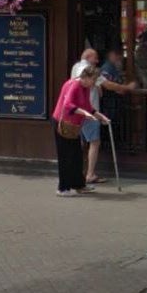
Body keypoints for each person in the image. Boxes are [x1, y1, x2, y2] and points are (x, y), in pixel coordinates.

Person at [71, 49, 136, 184]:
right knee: (94, 142)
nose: (97, 61)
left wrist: (97, 87)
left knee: (80, 143)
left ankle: (78, 173)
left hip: (77, 111)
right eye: (95, 58)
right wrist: (126, 88)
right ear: (89, 57)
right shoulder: (89, 69)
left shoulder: (76, 67)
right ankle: (90, 174)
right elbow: (108, 84)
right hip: (89, 111)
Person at [52, 65, 110, 196]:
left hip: (73, 125)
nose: (94, 83)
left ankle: (79, 185)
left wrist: (100, 116)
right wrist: (84, 113)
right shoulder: (75, 85)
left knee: (77, 155)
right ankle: (63, 188)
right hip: (63, 123)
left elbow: (87, 106)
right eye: (93, 80)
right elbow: (68, 105)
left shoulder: (86, 88)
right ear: (87, 77)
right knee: (65, 156)